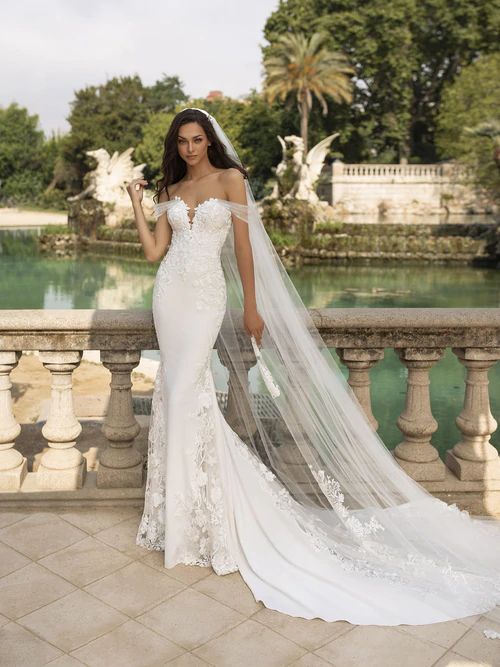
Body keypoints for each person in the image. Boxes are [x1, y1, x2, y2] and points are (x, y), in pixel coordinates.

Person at [127, 107, 500, 626]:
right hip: (169, 295)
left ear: (210, 141)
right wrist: (137, 205)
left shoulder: (231, 179)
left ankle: (206, 518)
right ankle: (180, 518)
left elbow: (243, 250)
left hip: (206, 298)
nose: (190, 149)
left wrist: (252, 308)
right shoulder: (169, 187)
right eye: (183, 142)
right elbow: (153, 254)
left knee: (190, 394)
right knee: (175, 396)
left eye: (197, 140)